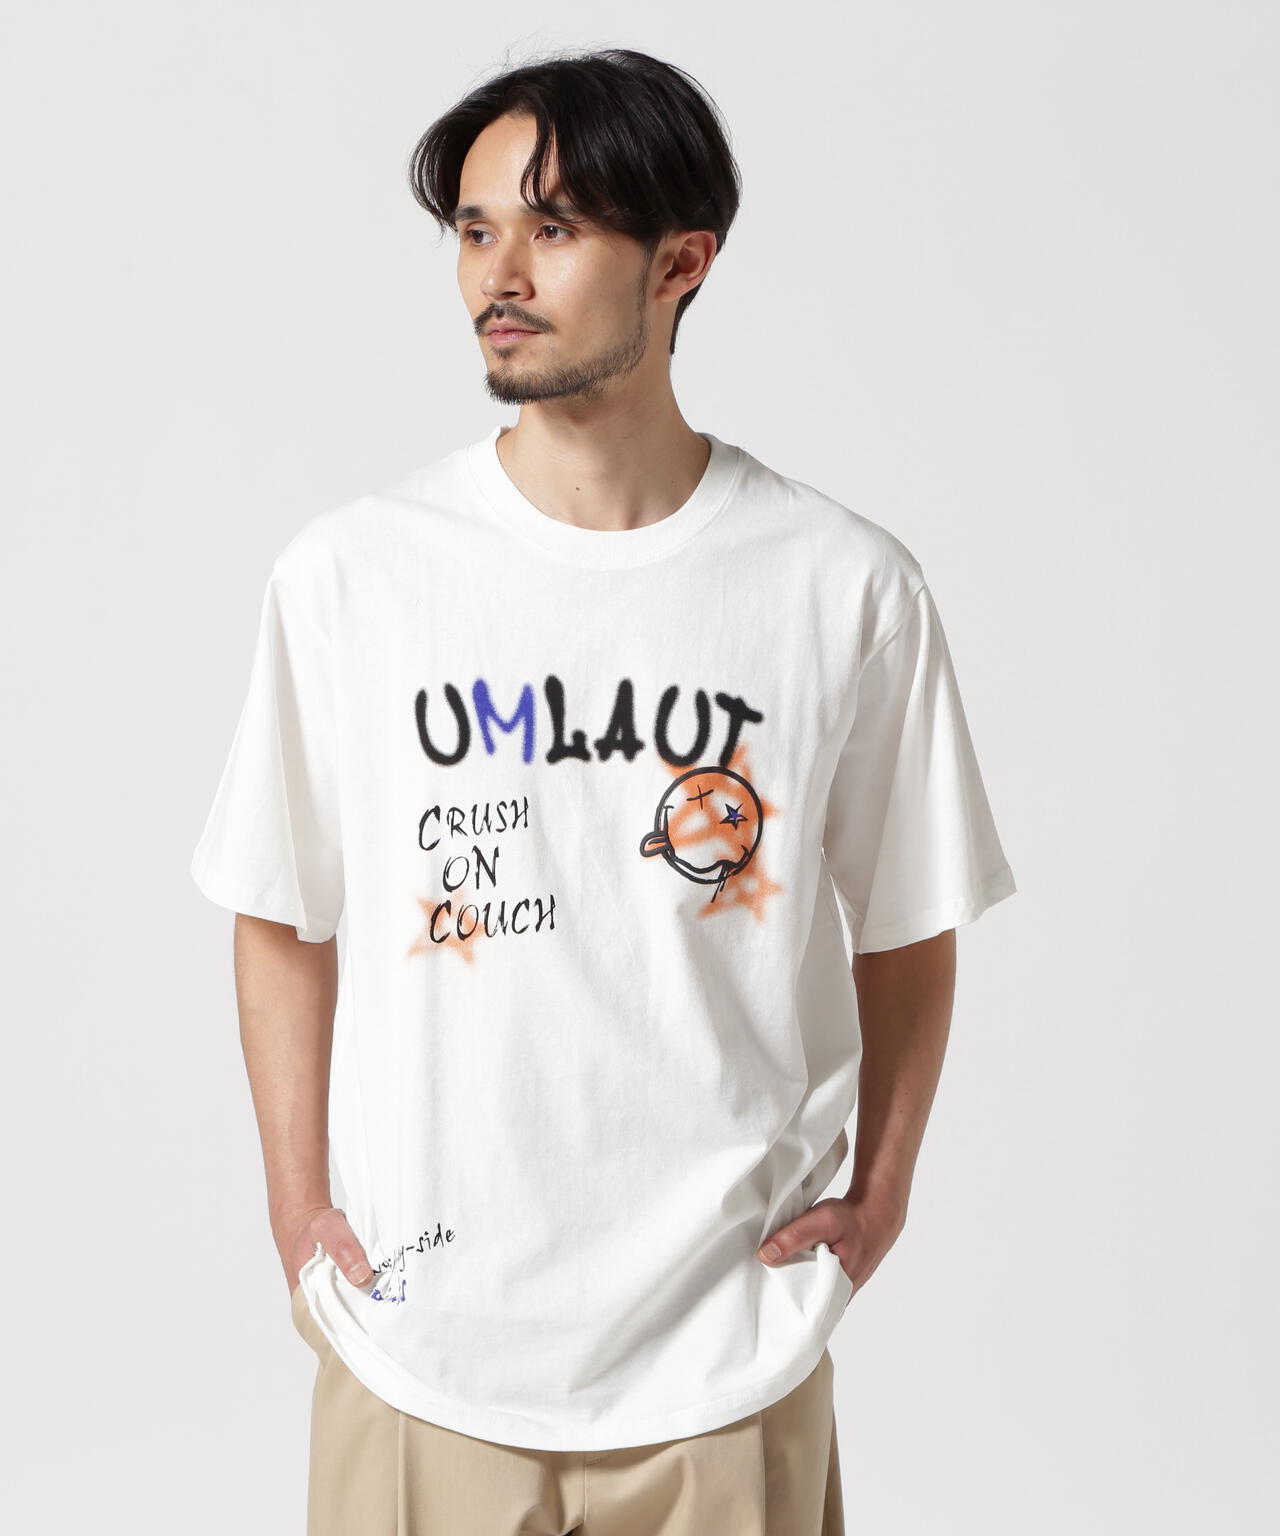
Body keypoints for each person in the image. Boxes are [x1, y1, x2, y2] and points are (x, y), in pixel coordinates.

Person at [190, 45, 1017, 1536]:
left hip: (727, 1352)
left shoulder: (841, 588)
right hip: (421, 1348)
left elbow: (908, 921)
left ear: (682, 263)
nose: (498, 276)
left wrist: (881, 1196)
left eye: (554, 228)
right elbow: (277, 910)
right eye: (475, 230)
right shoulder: (352, 578)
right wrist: (297, 1214)